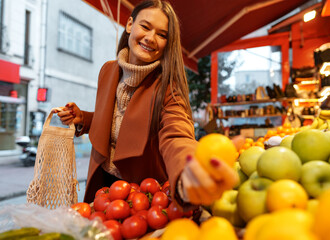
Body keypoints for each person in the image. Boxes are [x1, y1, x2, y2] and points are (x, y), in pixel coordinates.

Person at [55, 0, 240, 209]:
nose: (151, 38)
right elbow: (114, 118)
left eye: (162, 35)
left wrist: (188, 168)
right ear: (129, 25)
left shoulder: (168, 87)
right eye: (145, 26)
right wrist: (85, 119)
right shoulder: (107, 70)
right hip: (103, 182)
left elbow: (176, 135)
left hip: (143, 195)